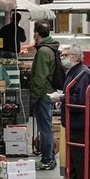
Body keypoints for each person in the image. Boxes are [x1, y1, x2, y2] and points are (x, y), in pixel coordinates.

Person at [60, 44, 90, 179]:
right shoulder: (74, 72)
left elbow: (80, 99)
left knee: (80, 157)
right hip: (72, 123)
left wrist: (62, 99)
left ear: (74, 57)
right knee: (73, 158)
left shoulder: (83, 74)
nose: (62, 58)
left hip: (79, 124)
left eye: (64, 55)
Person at [29, 22, 60, 170]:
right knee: (46, 126)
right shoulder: (51, 48)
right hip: (48, 91)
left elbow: (40, 76)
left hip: (43, 93)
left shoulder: (43, 51)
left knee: (45, 128)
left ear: (37, 34)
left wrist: (34, 96)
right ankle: (49, 157)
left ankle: (47, 159)